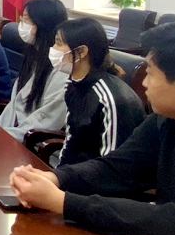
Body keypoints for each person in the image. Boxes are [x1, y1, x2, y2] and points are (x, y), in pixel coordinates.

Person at [9, 21, 175, 235]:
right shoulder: (168, 120)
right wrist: (57, 179)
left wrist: (63, 202)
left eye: (150, 74)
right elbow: (117, 168)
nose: (144, 83)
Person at [51, 18, 146, 166]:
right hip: (77, 173)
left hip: (102, 177)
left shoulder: (111, 99)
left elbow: (111, 166)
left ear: (81, 51)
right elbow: (72, 139)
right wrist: (58, 175)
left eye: (58, 43)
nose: (53, 48)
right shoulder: (74, 84)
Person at [0, 0, 69, 142]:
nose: (21, 24)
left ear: (41, 25)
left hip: (32, 143)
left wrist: (2, 135)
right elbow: (16, 105)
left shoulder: (61, 67)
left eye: (25, 19)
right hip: (12, 133)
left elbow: (46, 119)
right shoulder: (34, 56)